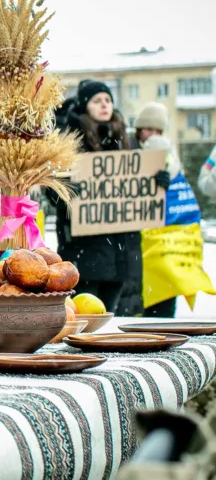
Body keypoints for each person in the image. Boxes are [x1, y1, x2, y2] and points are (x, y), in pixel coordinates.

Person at [50, 81, 165, 316]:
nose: (104, 105)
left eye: (108, 100)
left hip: (123, 256)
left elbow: (138, 190)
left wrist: (158, 182)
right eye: (97, 100)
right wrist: (68, 189)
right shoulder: (68, 143)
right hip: (85, 255)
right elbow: (53, 193)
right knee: (85, 321)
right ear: (85, 106)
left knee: (115, 322)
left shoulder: (126, 142)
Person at [133, 102, 184, 318]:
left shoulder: (170, 155)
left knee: (162, 297)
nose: (153, 135)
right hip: (138, 241)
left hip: (164, 239)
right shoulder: (128, 153)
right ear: (139, 130)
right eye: (148, 129)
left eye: (158, 130)